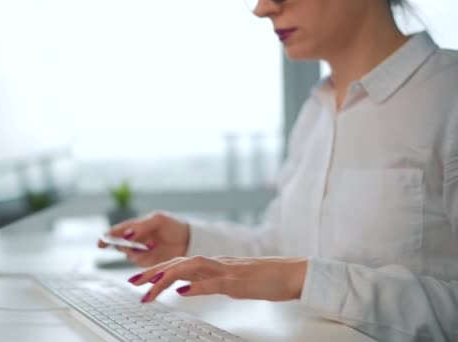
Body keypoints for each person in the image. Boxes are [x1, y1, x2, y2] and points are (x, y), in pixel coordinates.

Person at [98, 0, 458, 341]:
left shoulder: (448, 96)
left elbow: (297, 274)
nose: (261, 8)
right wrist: (190, 241)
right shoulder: (316, 111)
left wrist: (307, 280)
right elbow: (283, 248)